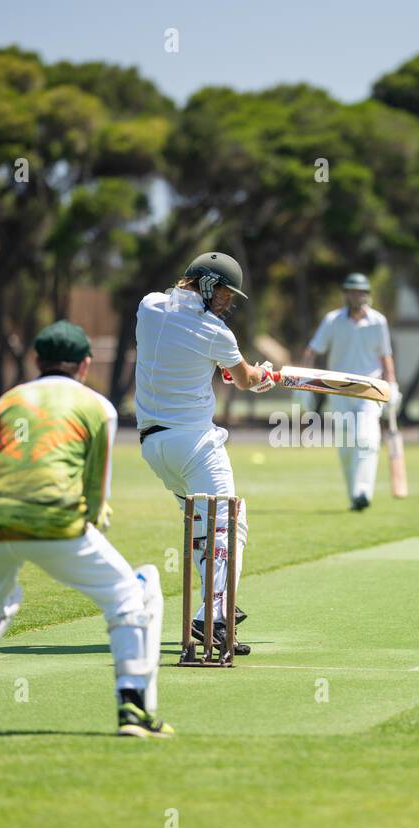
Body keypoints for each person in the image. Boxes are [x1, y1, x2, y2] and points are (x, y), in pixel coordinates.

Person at [0, 320, 172, 738]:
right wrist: (85, 544)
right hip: (55, 521)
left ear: (37, 361)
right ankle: (133, 707)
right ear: (85, 365)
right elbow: (96, 495)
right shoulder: (98, 406)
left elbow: (3, 465)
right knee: (132, 591)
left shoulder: (6, 401)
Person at [134, 252, 276, 658]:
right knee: (230, 525)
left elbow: (182, 348)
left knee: (203, 527)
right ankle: (212, 614)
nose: (228, 303)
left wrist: (230, 368)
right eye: (226, 293)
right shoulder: (216, 332)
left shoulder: (148, 307)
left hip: (153, 447)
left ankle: (213, 611)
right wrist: (261, 377)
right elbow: (246, 379)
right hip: (195, 446)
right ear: (208, 284)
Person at [300, 273, 399, 511]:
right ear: (346, 294)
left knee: (366, 439)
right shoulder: (333, 320)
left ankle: (363, 490)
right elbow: (312, 350)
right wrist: (303, 379)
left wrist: (392, 384)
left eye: (360, 292)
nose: (356, 296)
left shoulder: (378, 322)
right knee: (346, 447)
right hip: (339, 389)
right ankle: (354, 494)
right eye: (352, 291)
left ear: (367, 295)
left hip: (369, 388)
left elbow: (386, 356)